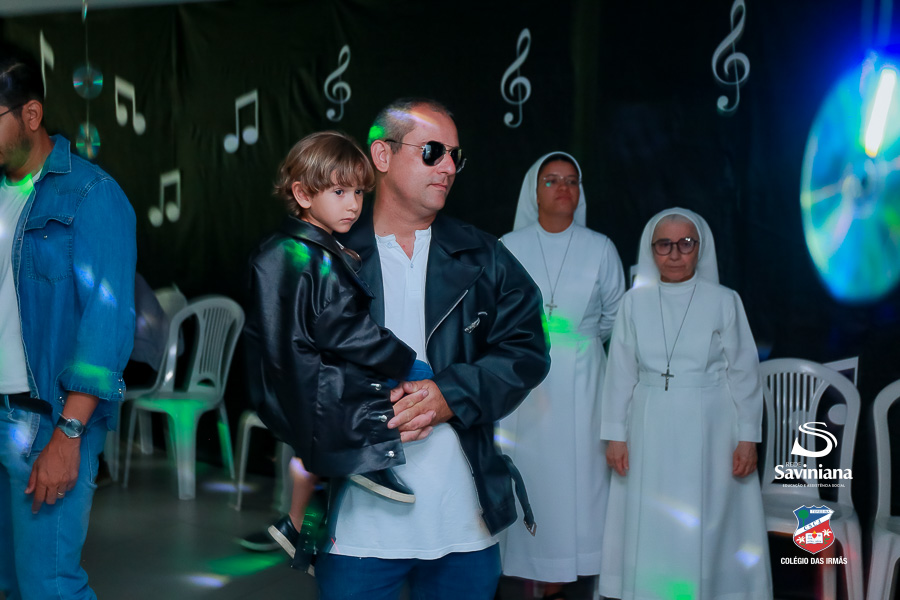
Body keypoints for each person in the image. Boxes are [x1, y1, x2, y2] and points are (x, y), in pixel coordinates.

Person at [313, 98, 550, 599]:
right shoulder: (326, 257)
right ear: (382, 155)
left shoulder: (483, 255)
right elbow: (281, 367)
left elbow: (527, 348)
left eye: (454, 156)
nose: (448, 167)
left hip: (463, 523)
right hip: (356, 527)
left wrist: (451, 395)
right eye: (432, 152)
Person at [244, 131, 427, 566]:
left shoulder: (283, 248)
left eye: (359, 193)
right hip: (319, 389)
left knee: (314, 459)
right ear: (303, 194)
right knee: (409, 382)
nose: (353, 204)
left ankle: (301, 528)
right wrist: (407, 361)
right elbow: (344, 330)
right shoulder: (314, 258)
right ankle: (369, 460)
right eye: (340, 192)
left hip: (290, 383)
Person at [0, 47, 136, 599]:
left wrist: (70, 433)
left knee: (49, 587)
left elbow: (106, 325)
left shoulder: (90, 195)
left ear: (30, 115)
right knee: (9, 583)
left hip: (45, 422)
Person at [599, 208, 772, 600]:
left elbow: (744, 373)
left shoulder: (724, 301)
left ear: (700, 248)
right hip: (648, 427)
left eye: (685, 243)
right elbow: (620, 373)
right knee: (653, 514)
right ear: (651, 250)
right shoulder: (633, 303)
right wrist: (615, 436)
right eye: (664, 244)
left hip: (711, 427)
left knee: (706, 516)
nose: (675, 254)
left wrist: (748, 437)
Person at [497, 152, 624, 599]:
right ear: (535, 191)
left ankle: (565, 578)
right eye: (551, 180)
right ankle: (526, 573)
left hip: (585, 380)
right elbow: (494, 310)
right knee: (531, 472)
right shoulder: (510, 245)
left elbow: (614, 317)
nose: (563, 188)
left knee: (579, 478)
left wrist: (575, 343)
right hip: (525, 381)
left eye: (571, 180)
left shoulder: (601, 247)